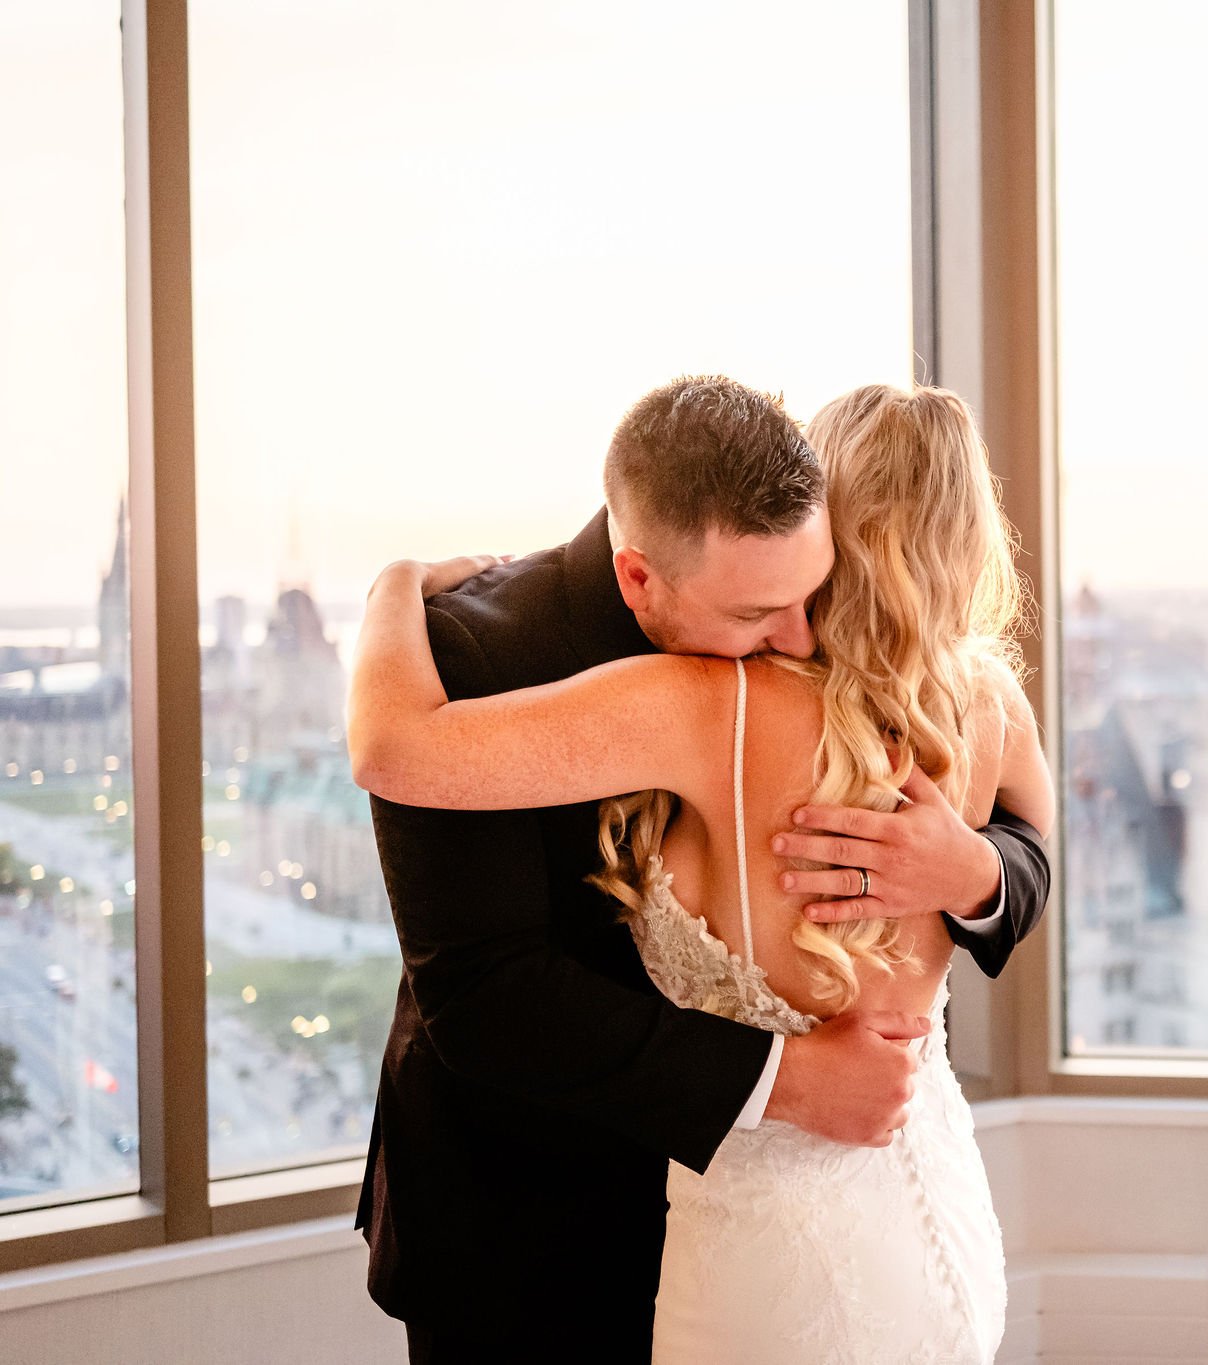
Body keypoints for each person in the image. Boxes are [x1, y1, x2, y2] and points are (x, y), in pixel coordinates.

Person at [348, 376, 1051, 1363]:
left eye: (816, 589)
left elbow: (1026, 852)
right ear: (642, 578)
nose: (801, 634)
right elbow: (481, 993)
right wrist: (783, 1081)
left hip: (802, 1216)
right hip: (531, 1222)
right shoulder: (477, 645)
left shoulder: (770, 648)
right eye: (766, 609)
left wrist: (970, 870)